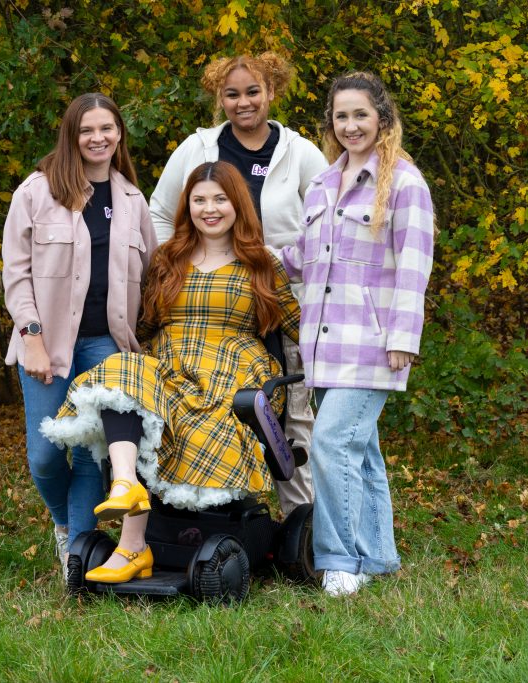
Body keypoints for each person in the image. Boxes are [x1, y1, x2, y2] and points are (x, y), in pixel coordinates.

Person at [40, 161, 301, 583]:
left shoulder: (261, 264)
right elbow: (142, 326)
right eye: (200, 200)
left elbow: (299, 325)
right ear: (187, 206)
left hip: (231, 371)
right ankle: (127, 491)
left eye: (220, 199)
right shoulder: (168, 258)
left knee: (198, 421)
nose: (209, 209)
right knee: (125, 375)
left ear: (238, 205)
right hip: (170, 364)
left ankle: (135, 545)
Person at [149, 51, 328, 516]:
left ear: (272, 92)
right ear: (219, 98)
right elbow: (160, 212)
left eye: (253, 91)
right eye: (232, 94)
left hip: (278, 294)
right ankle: (196, 517)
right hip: (208, 300)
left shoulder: (300, 153)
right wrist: (186, 262)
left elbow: (328, 225)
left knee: (291, 421)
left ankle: (302, 526)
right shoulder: (198, 150)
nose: (243, 102)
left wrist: (282, 266)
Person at [280, 72, 435, 596]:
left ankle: (340, 561)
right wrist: (249, 259)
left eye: (360, 115)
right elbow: (303, 257)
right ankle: (378, 558)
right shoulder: (323, 185)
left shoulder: (404, 183)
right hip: (323, 344)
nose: (351, 125)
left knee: (330, 443)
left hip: (372, 343)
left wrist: (403, 338)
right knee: (359, 451)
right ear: (331, 122)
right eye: (341, 116)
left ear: (382, 118)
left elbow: (414, 265)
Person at [1, 93, 157, 580]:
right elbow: (15, 274)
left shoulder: (131, 200)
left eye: (106, 128)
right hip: (47, 345)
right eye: (87, 130)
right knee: (45, 455)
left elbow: (153, 273)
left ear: (119, 133)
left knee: (93, 454)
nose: (98, 138)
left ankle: (78, 556)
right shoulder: (36, 192)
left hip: (108, 346)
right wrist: (31, 337)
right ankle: (64, 522)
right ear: (71, 135)